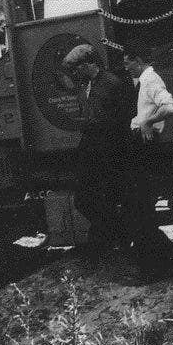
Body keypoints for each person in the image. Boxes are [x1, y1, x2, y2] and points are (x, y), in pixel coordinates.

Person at [61, 43, 134, 260]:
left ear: (87, 64)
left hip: (110, 153)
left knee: (97, 199)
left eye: (76, 68)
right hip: (95, 151)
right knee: (84, 199)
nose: (74, 73)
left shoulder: (112, 84)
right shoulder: (91, 84)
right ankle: (111, 236)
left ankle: (111, 240)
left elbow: (122, 120)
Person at [122, 43, 173, 281]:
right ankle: (164, 260)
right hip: (141, 144)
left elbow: (169, 105)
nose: (126, 68)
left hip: (146, 146)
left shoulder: (150, 80)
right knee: (140, 208)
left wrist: (148, 123)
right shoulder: (144, 81)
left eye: (128, 63)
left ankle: (152, 269)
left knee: (141, 208)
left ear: (138, 60)